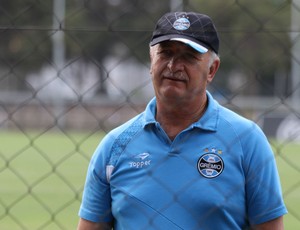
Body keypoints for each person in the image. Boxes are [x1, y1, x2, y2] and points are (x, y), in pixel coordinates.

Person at [77, 11, 287, 230]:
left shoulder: (247, 140)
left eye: (189, 56)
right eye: (165, 53)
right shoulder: (115, 145)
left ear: (212, 70)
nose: (173, 65)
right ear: (151, 61)